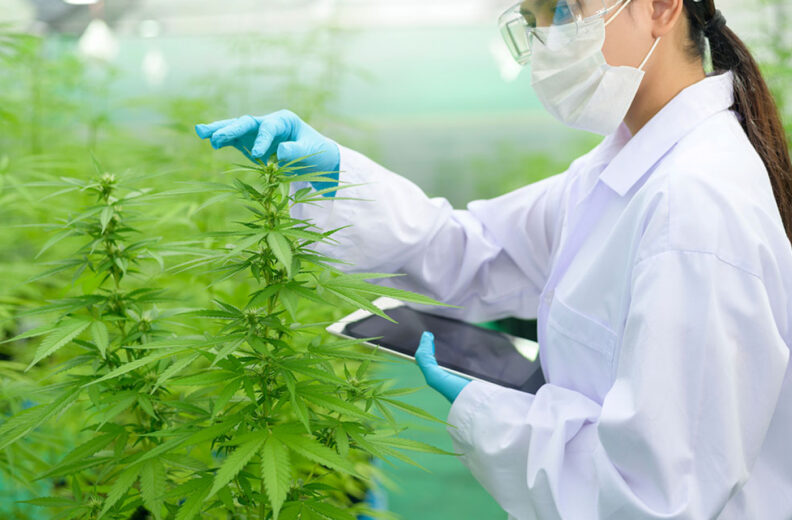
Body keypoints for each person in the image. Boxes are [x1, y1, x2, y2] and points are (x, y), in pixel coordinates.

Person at [195, 0, 792, 517]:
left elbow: (659, 497)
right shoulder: (618, 169)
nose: (545, 40)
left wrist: (492, 411)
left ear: (663, 7)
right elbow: (474, 251)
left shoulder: (696, 203)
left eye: (563, 10)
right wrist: (337, 180)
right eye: (532, 19)